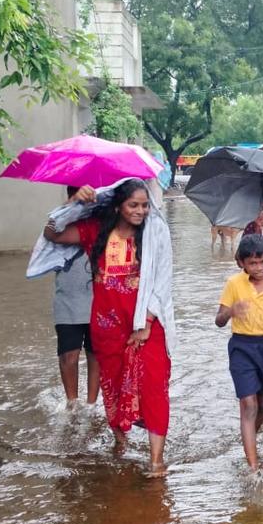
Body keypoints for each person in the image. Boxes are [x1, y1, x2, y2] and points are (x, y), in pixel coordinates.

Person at [44, 180, 176, 477]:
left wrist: (148, 322)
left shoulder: (155, 233)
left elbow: (164, 280)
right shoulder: (95, 231)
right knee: (114, 387)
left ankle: (156, 460)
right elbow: (52, 232)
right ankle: (121, 442)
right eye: (133, 205)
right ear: (118, 206)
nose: (141, 211)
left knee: (155, 387)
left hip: (147, 324)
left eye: (144, 205)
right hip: (107, 326)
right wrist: (74, 203)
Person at [216, 234, 263, 473]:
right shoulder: (234, 284)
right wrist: (231, 312)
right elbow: (218, 320)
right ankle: (253, 466)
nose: (258, 268)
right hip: (241, 347)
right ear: (241, 263)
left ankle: (249, 439)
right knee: (248, 404)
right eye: (252, 263)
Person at [53, 186, 99, 407]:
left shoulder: (102, 220)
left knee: (95, 354)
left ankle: (91, 405)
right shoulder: (60, 218)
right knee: (68, 356)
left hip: (98, 298)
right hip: (67, 298)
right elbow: (49, 234)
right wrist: (69, 206)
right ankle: (72, 403)